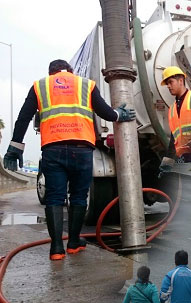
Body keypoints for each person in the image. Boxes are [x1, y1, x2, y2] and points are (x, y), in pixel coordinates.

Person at [3, 59, 135, 260]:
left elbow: (23, 118)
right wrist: (119, 115)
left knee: (55, 197)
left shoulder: (40, 86)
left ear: (51, 73)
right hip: (81, 150)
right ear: (71, 71)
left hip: (53, 149)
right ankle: (73, 243)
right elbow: (104, 112)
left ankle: (56, 249)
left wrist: (15, 148)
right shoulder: (86, 84)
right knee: (79, 197)